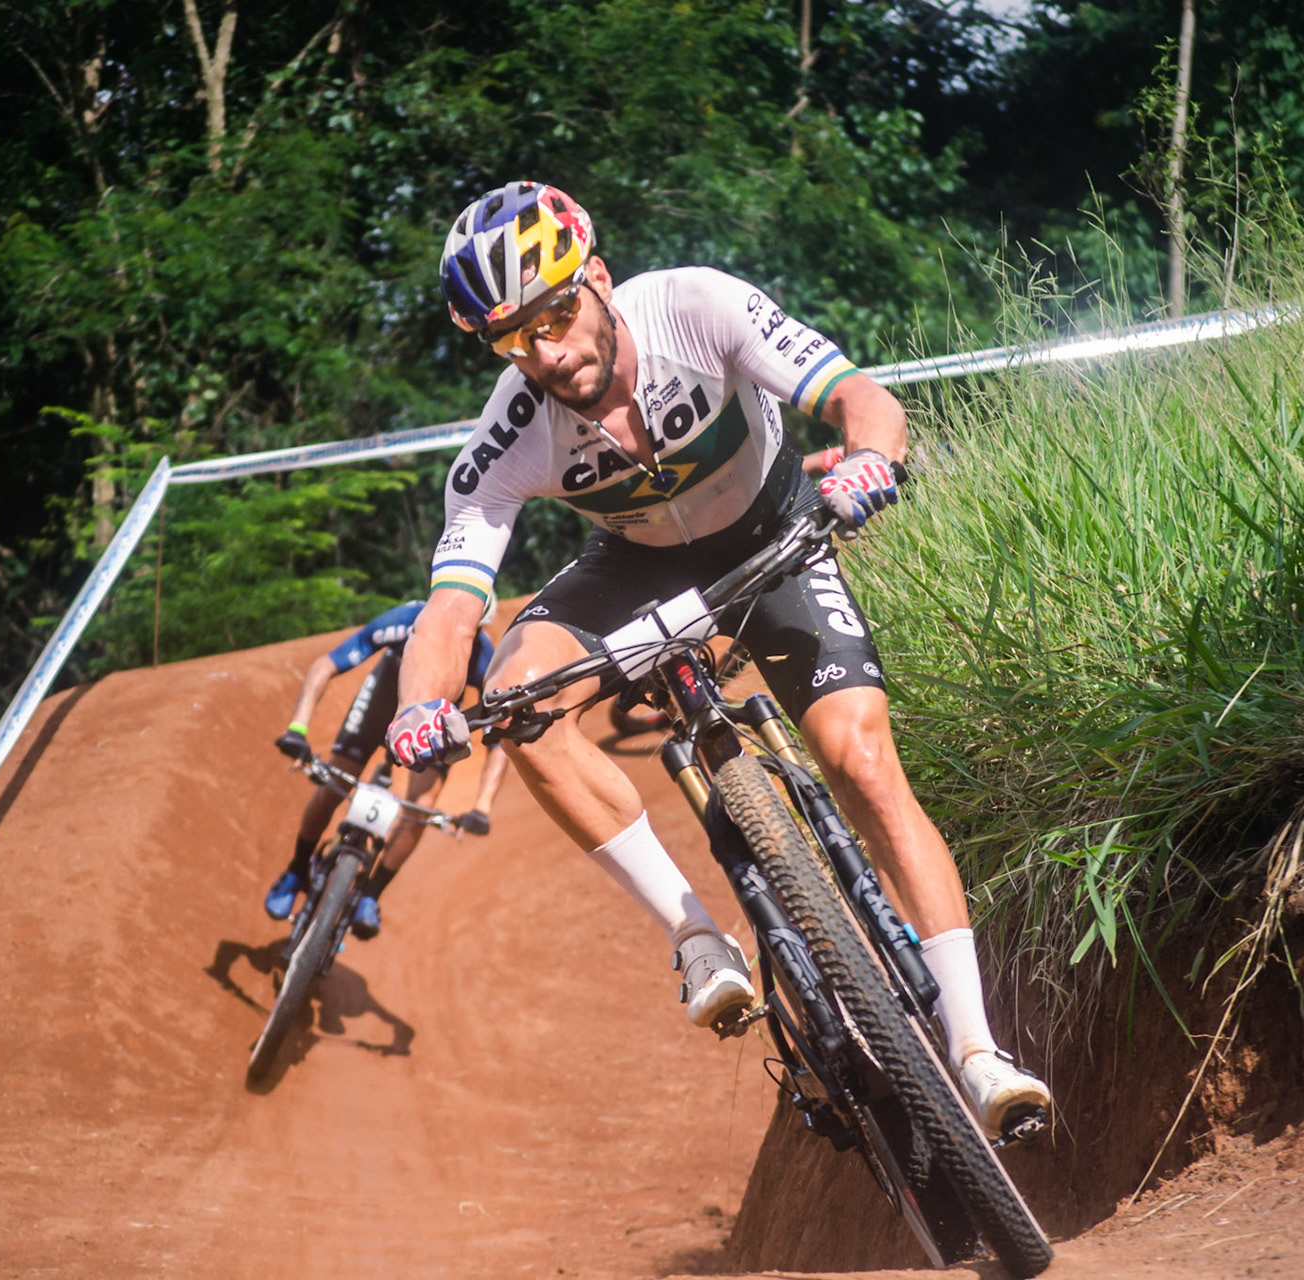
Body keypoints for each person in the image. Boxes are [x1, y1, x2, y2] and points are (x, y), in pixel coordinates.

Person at [383, 181, 1051, 1138]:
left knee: (862, 762)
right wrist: (418, 707)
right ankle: (695, 934)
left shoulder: (696, 305)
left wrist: (869, 457)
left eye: (556, 314)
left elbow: (861, 399)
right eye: (512, 339)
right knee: (517, 694)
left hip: (775, 534)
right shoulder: (508, 433)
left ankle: (976, 1050)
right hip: (636, 567)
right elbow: (451, 609)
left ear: (597, 276)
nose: (545, 353)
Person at [266, 599, 511, 939]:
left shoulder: (482, 653)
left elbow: (501, 736)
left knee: (421, 808)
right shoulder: (406, 618)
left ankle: (370, 895)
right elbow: (326, 664)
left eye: (470, 626)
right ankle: (296, 870)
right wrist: (298, 728)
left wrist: (482, 807)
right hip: (380, 702)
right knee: (334, 784)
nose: (459, 630)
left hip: (432, 720)